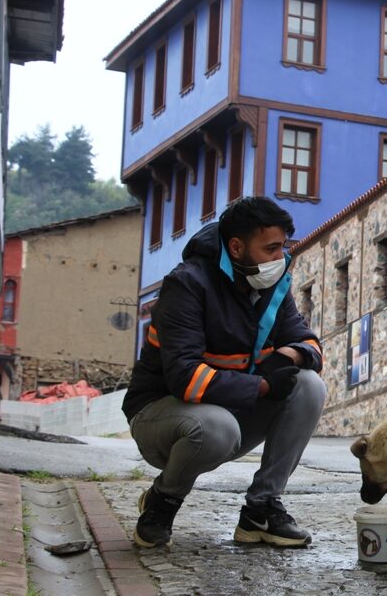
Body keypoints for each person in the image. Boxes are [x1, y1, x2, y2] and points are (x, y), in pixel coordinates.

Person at [122, 196, 327, 549]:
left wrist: (287, 356)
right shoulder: (187, 285)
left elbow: (309, 343)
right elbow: (186, 378)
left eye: (283, 248)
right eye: (271, 249)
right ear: (236, 247)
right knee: (216, 427)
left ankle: (261, 510)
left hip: (229, 410)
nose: (280, 259)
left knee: (309, 386)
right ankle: (162, 503)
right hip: (163, 417)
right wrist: (262, 386)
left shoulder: (273, 287)